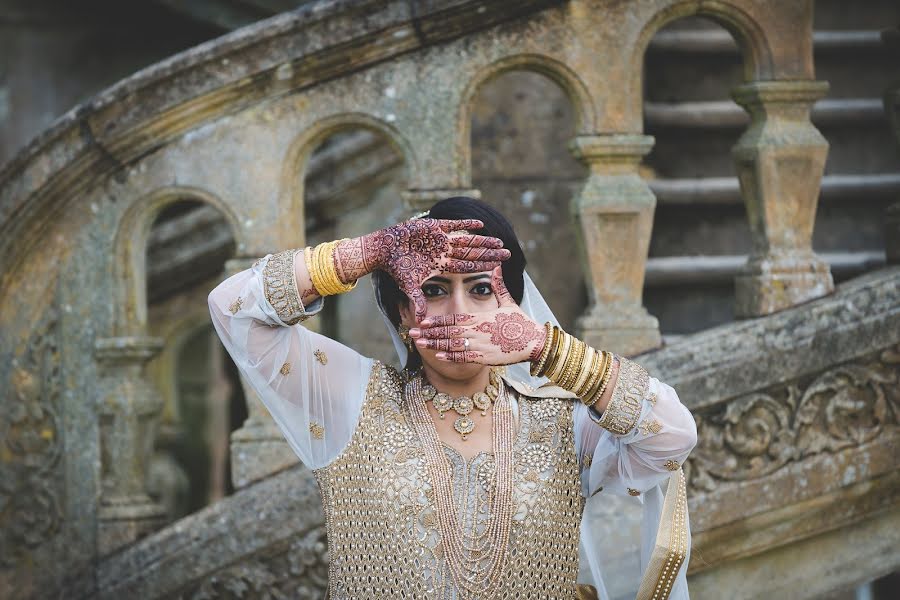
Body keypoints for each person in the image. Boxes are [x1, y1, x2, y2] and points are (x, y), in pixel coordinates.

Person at [207, 196, 697, 599]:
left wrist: (550, 349)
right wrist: (368, 252)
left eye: (482, 289)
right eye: (434, 290)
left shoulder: (562, 420)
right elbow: (232, 310)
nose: (458, 312)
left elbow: (672, 438)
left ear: (515, 305)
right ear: (403, 313)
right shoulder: (354, 401)